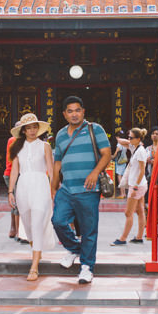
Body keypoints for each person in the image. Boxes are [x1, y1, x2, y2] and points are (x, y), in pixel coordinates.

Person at [51, 96, 111, 284]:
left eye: (77, 110)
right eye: (70, 111)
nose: (74, 114)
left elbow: (106, 154)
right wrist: (54, 187)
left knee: (88, 229)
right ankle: (76, 248)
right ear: (64, 114)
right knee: (58, 221)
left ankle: (87, 267)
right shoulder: (60, 134)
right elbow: (57, 163)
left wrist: (95, 173)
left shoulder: (95, 129)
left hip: (88, 188)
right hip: (67, 188)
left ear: (83, 112)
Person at [7, 113, 56, 281]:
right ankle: (37, 247)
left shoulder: (45, 146)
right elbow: (14, 171)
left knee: (37, 221)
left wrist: (54, 190)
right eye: (29, 128)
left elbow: (51, 169)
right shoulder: (17, 148)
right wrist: (10, 191)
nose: (32, 130)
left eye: (35, 127)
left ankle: (34, 267)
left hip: (41, 184)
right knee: (27, 224)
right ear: (24, 131)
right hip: (23, 186)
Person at [112, 127, 148, 245]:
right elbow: (120, 141)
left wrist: (136, 187)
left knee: (128, 212)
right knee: (140, 210)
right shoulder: (135, 148)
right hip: (138, 184)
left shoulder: (141, 151)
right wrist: (130, 140)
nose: (129, 139)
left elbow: (142, 171)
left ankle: (123, 238)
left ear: (138, 139)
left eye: (131, 137)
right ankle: (139, 237)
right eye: (129, 137)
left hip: (137, 185)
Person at [3, 136, 20, 239]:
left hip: (21, 174)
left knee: (17, 202)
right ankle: (17, 230)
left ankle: (14, 228)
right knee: (17, 202)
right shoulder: (13, 140)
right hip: (12, 174)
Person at [112, 129, 129, 199]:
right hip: (123, 161)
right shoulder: (125, 144)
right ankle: (124, 193)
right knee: (123, 177)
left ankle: (122, 193)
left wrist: (112, 157)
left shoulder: (119, 144)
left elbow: (116, 153)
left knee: (119, 177)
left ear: (117, 137)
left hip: (119, 162)